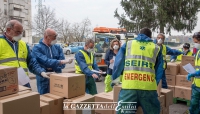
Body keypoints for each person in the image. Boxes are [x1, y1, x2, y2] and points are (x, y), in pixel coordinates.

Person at [112, 28, 164, 114]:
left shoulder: (128, 44)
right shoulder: (156, 48)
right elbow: (159, 70)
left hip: (129, 87)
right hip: (148, 88)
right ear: (150, 36)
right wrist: (155, 84)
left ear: (139, 34)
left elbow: (118, 64)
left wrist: (114, 80)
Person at [0, 20, 50, 88]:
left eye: (21, 32)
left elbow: (31, 62)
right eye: (18, 32)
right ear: (8, 30)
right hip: (6, 85)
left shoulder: (23, 44)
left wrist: (41, 72)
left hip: (24, 82)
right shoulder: (1, 42)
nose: (20, 35)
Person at [32, 28, 73, 94]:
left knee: (59, 98)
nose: (56, 39)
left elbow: (62, 65)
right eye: (54, 37)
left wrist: (52, 66)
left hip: (58, 78)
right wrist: (59, 62)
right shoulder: (37, 48)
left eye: (56, 36)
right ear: (46, 37)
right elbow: (46, 62)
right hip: (44, 79)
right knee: (45, 100)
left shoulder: (57, 47)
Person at [187, 32, 200, 114]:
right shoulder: (198, 51)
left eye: (196, 42)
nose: (195, 44)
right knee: (194, 104)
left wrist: (195, 73)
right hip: (196, 83)